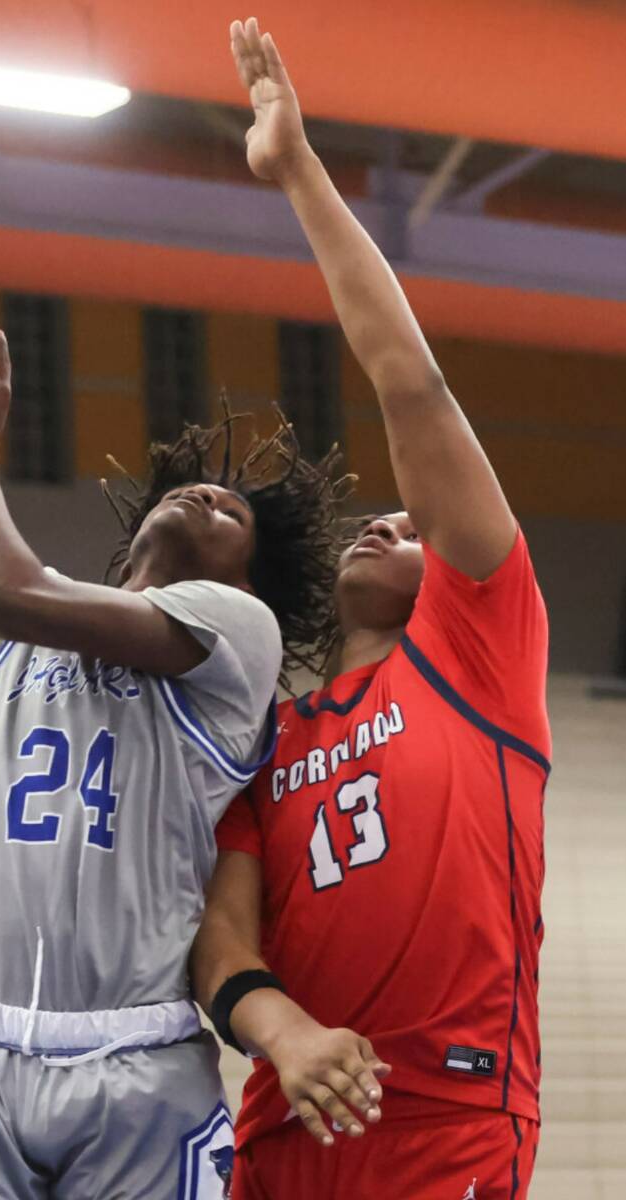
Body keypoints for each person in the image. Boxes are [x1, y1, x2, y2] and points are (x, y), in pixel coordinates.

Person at [0, 198, 343, 1198]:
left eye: (235, 517)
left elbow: (13, 588)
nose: (214, 497)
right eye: (196, 489)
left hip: (133, 1064)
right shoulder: (8, 630)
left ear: (244, 582)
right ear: (135, 525)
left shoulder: (236, 639)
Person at [191, 18, 550, 1200]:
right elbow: (221, 945)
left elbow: (408, 378)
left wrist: (295, 170)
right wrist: (283, 1035)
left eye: (411, 519)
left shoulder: (476, 644)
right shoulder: (269, 734)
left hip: (446, 1112)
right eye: (371, 518)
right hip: (284, 1123)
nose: (389, 520)